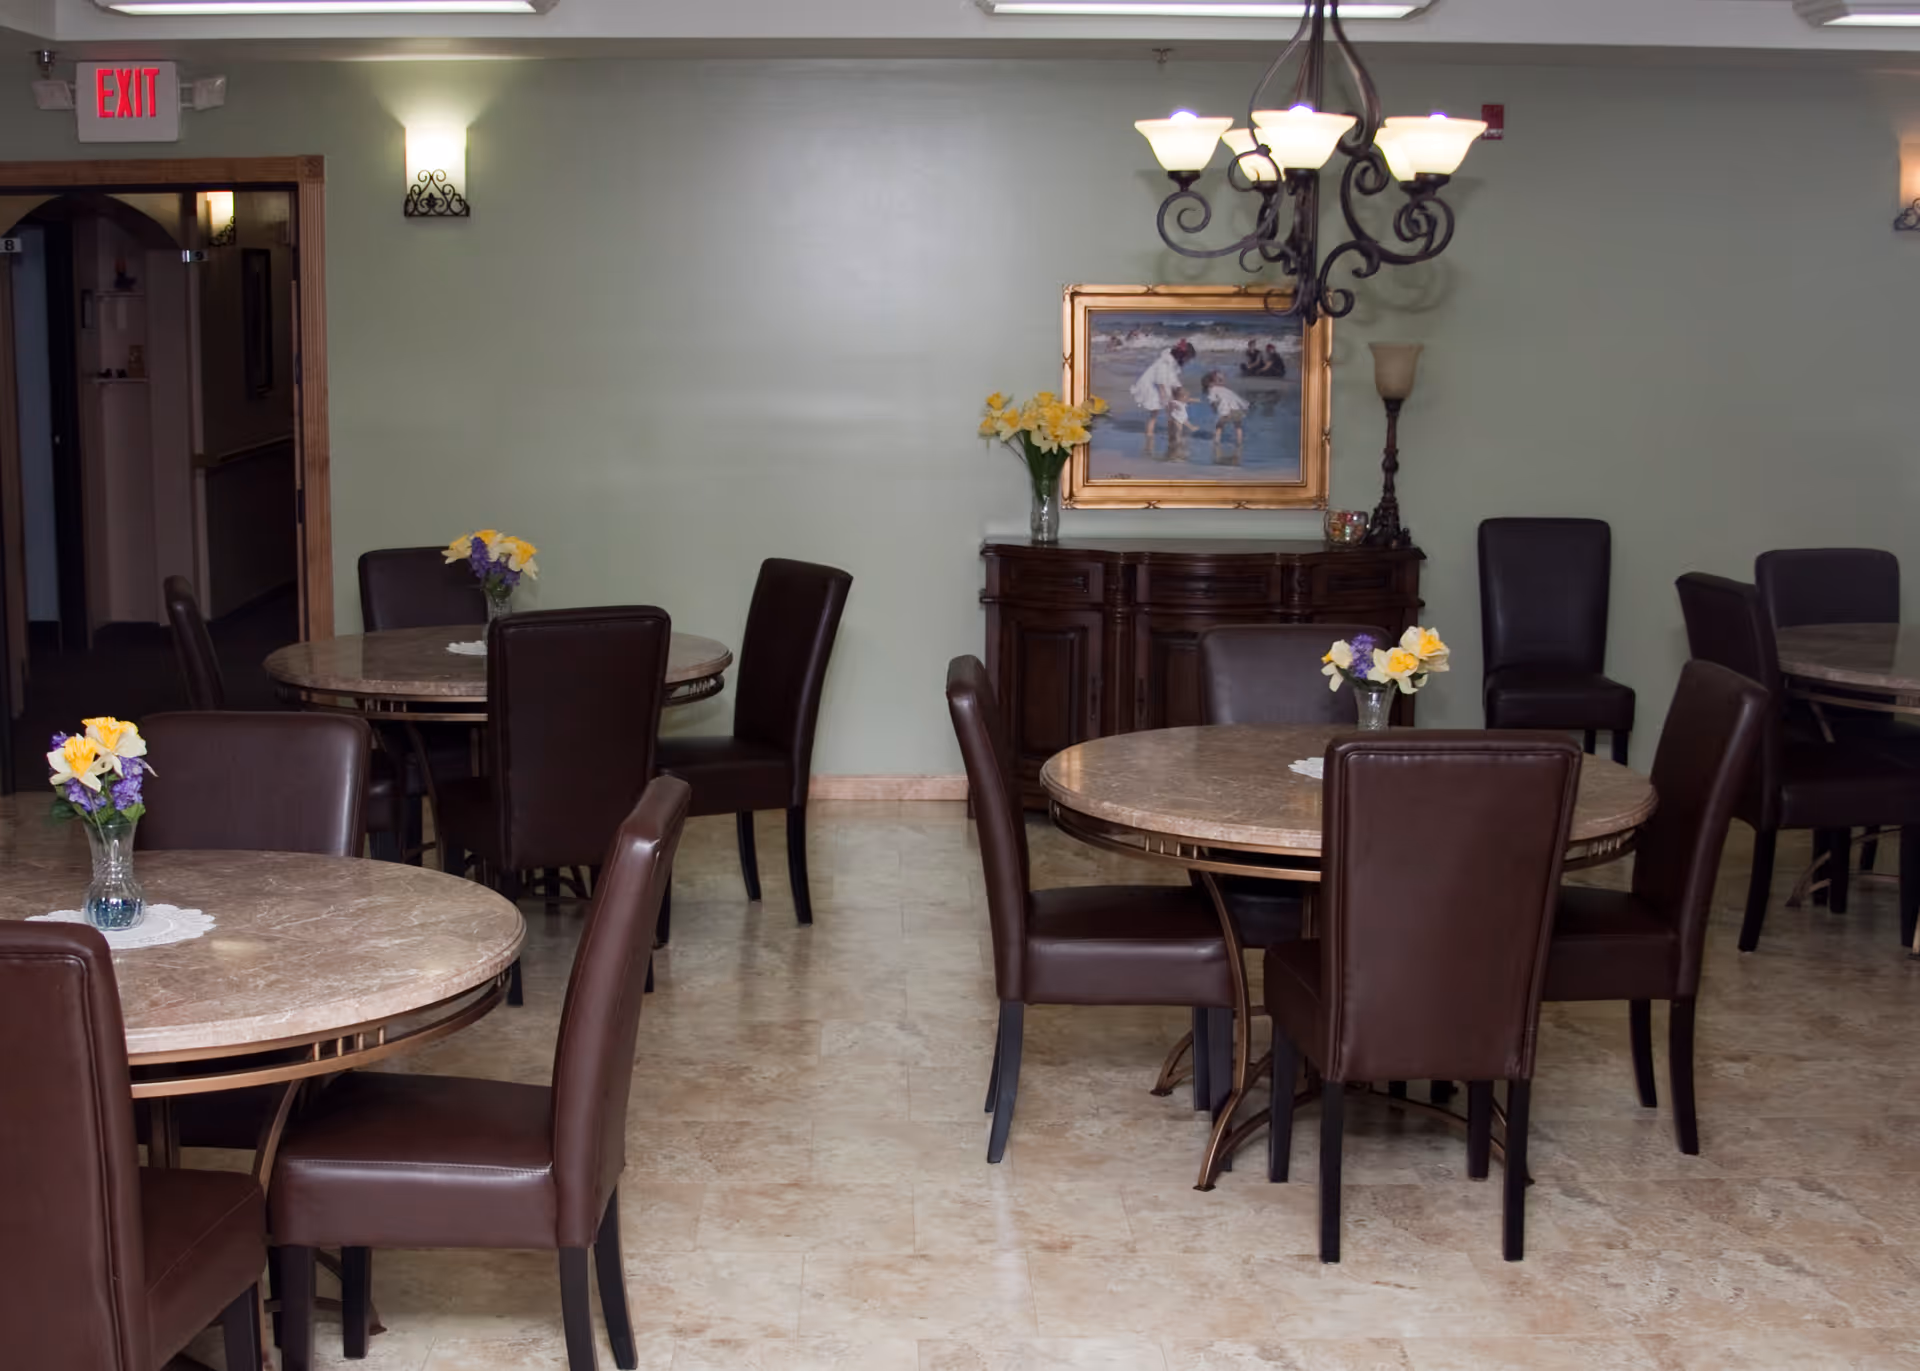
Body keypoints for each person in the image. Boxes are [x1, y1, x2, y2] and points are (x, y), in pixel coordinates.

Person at [1128, 338, 1195, 440]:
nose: (1188, 361)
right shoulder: (1165, 362)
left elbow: (1172, 379)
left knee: (1171, 411)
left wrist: (1179, 389)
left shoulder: (1172, 362)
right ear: (1182, 356)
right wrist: (1165, 398)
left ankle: (1172, 432)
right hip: (1151, 386)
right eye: (1188, 359)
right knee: (1155, 414)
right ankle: (1150, 436)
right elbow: (1161, 382)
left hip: (1159, 385)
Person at [1202, 369, 1249, 444]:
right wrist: (1245, 408)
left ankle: (1216, 442)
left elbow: (1213, 401)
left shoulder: (1213, 390)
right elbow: (1238, 399)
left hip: (1226, 411)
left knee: (1219, 426)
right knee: (1238, 426)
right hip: (1238, 410)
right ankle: (1239, 442)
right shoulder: (1227, 390)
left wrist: (1214, 409)